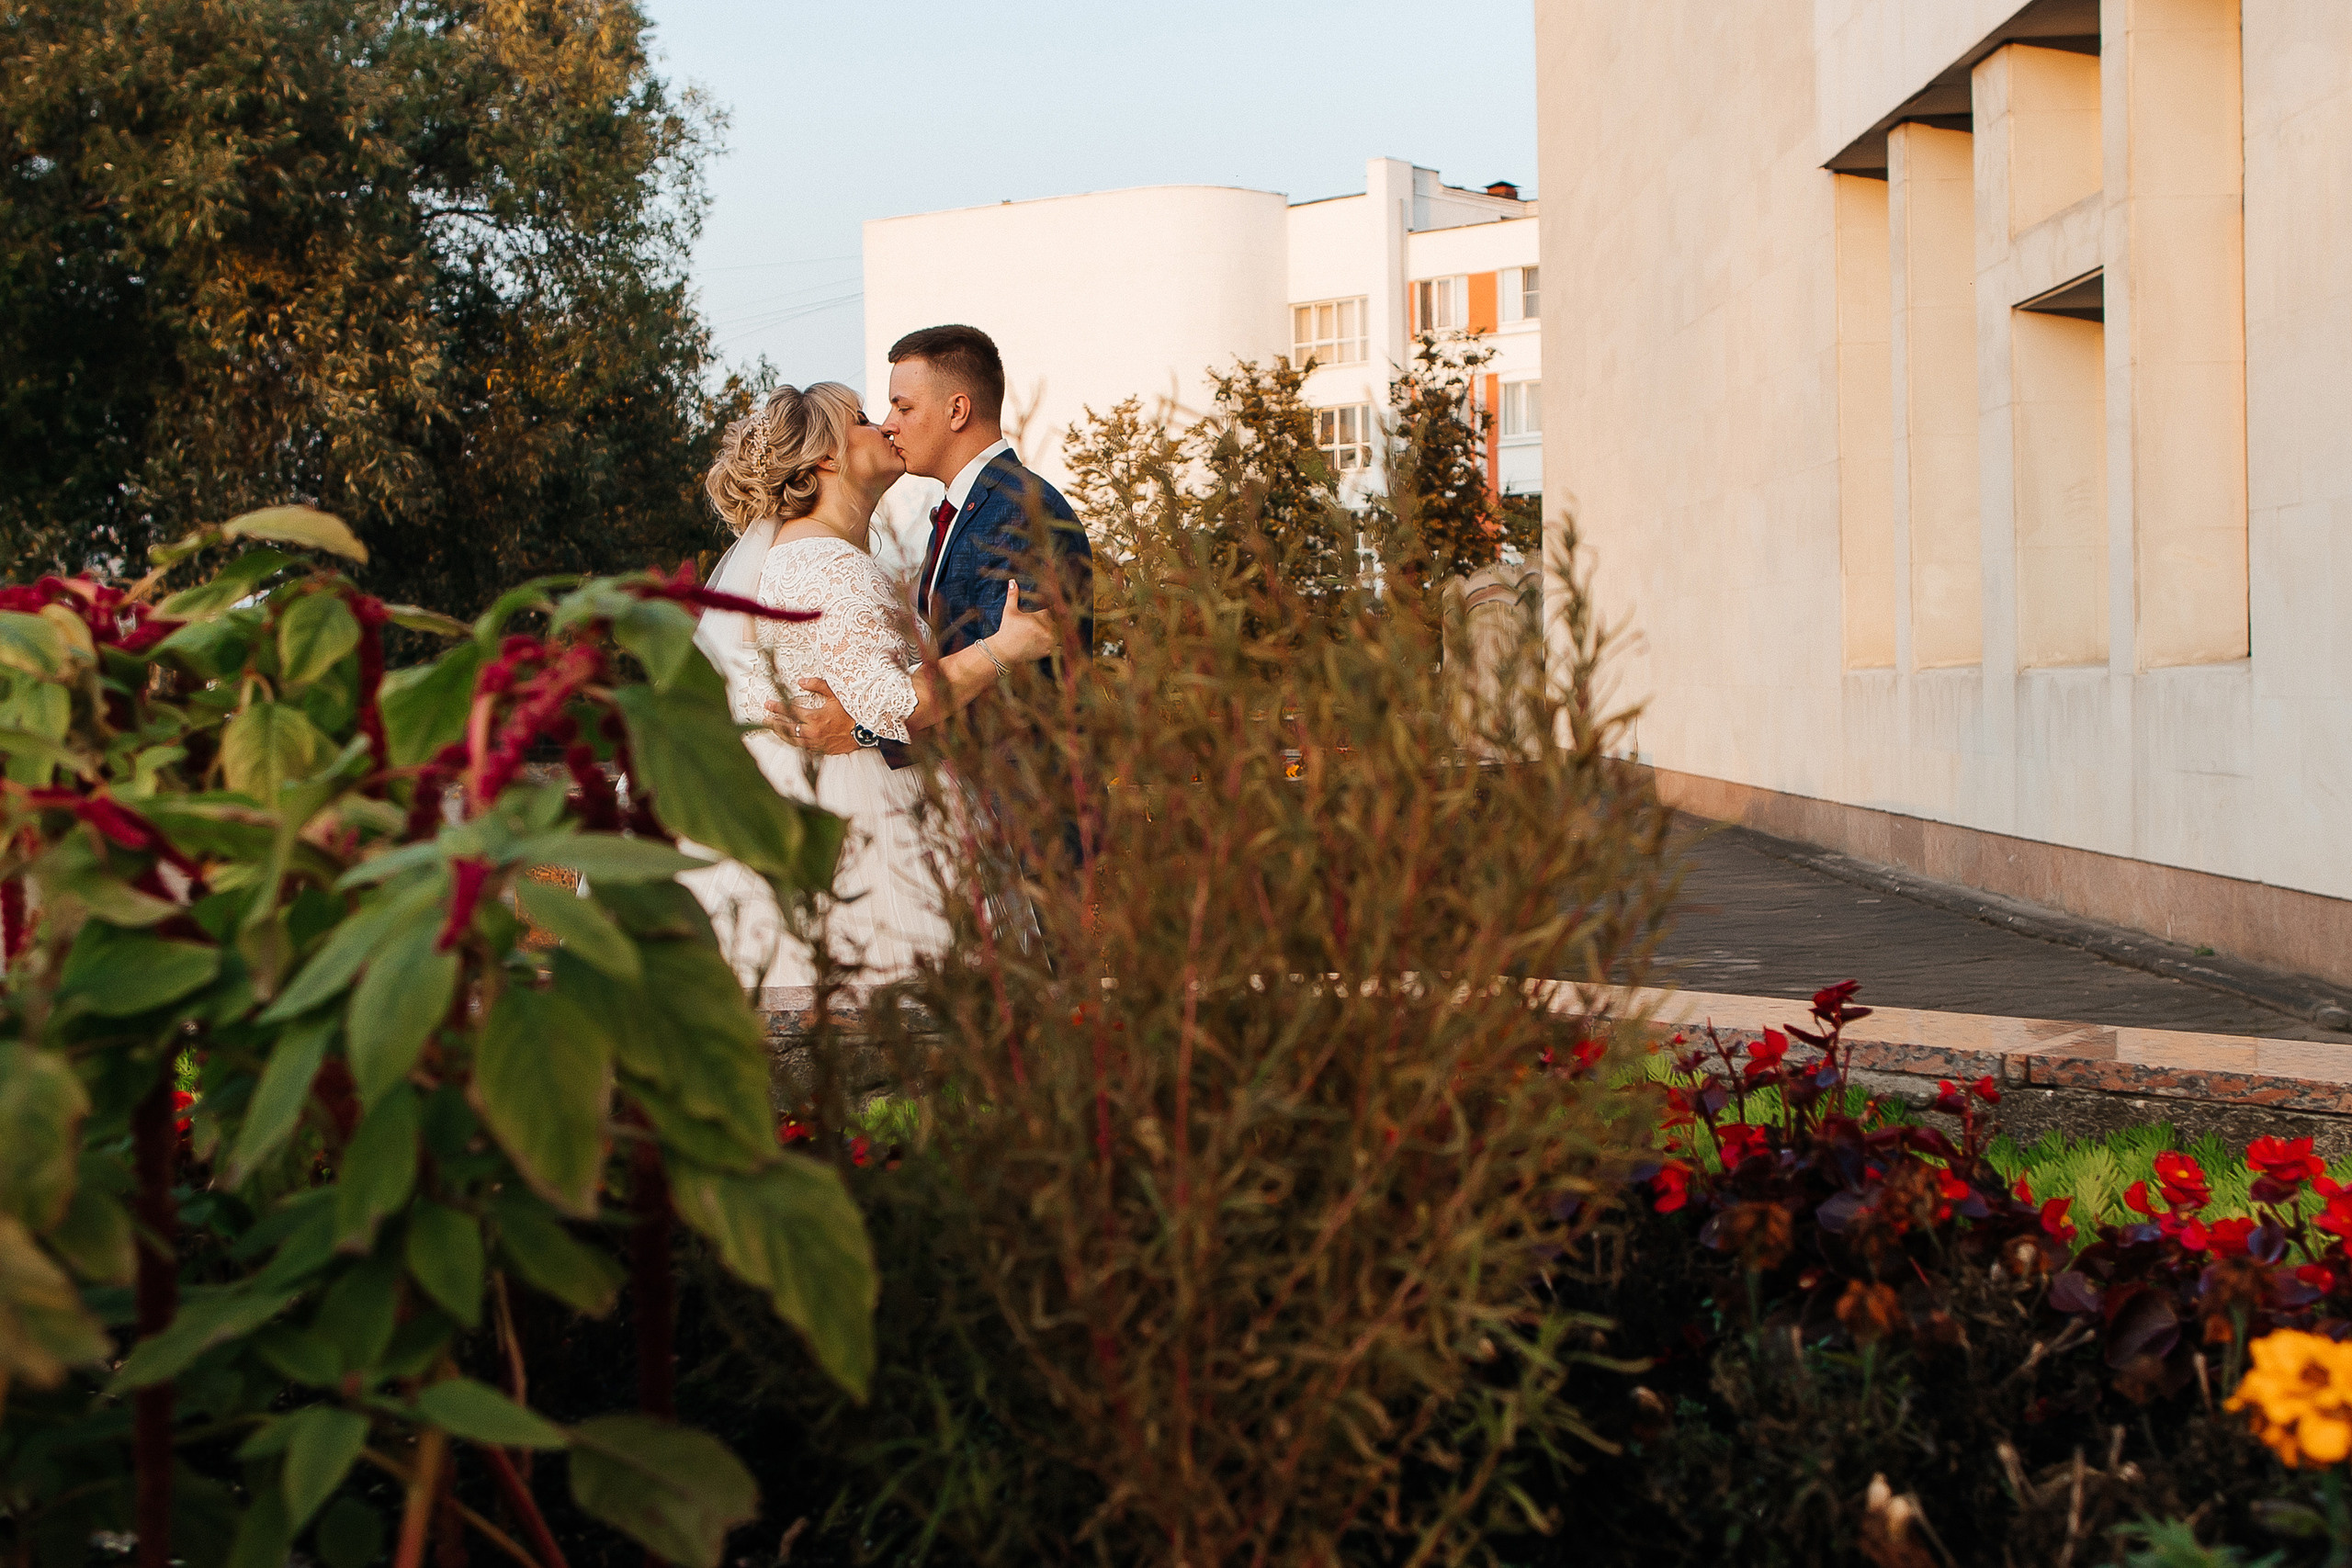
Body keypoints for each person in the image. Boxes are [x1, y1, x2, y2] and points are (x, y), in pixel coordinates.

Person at [683, 380, 1056, 989]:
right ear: (827, 457)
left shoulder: (802, 553)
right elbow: (895, 702)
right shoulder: (831, 564)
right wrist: (1004, 646)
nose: (883, 424)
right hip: (866, 817)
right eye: (860, 418)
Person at [767, 324, 1091, 761]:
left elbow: (1016, 689)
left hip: (1028, 796)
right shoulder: (967, 511)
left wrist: (866, 730)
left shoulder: (1020, 513)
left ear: (957, 411)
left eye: (903, 408)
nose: (889, 426)